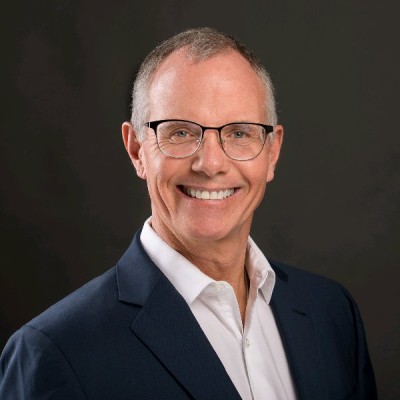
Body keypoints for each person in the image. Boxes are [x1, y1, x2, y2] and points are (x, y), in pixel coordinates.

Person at [0, 27, 377, 400]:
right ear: (137, 149)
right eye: (180, 132)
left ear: (272, 152)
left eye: (239, 133)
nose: (210, 164)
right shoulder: (56, 352)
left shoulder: (331, 313)